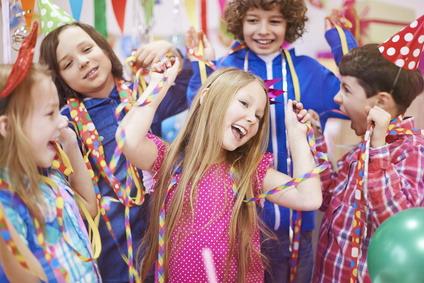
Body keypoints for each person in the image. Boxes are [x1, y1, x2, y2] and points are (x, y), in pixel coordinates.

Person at [185, 0, 357, 281]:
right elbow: (200, 121)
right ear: (239, 23)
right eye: (253, 20)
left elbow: (359, 96)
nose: (263, 31)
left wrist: (343, 47)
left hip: (296, 227)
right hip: (234, 225)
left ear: (289, 24)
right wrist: (201, 69)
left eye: (274, 21)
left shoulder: (307, 71)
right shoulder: (225, 70)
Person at [118, 64, 323, 282]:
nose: (252, 119)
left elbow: (309, 197)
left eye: (258, 116)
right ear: (206, 97)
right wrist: (157, 87)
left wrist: (297, 135)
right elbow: (128, 139)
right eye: (244, 103)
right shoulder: (168, 161)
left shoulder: (249, 172)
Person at [39, 22, 191, 282]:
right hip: (112, 243)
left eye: (87, 49)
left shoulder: (143, 92)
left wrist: (170, 53)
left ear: (105, 48)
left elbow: (192, 87)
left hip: (163, 231)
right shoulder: (65, 124)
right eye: (68, 64)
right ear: (59, 78)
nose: (84, 62)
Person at [311, 43, 424, 283]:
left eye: (346, 89)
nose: (337, 97)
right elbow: (327, 198)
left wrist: (378, 148)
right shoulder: (359, 151)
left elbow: (394, 224)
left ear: (380, 102)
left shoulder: (413, 152)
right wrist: (315, 139)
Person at [0, 24, 100, 282]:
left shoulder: (50, 174)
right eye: (50, 114)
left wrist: (71, 144)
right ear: (7, 127)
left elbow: (89, 208)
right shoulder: (8, 202)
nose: (62, 122)